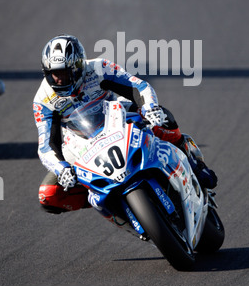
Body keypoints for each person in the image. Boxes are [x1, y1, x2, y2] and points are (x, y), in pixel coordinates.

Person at [33, 34, 217, 214]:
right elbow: (46, 146)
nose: (58, 79)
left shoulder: (98, 67)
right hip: (80, 144)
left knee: (162, 119)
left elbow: (138, 86)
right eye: (53, 74)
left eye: (64, 73)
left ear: (79, 66)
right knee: (49, 194)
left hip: (116, 118)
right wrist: (62, 169)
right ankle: (111, 202)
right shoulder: (43, 100)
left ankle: (196, 165)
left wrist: (150, 109)